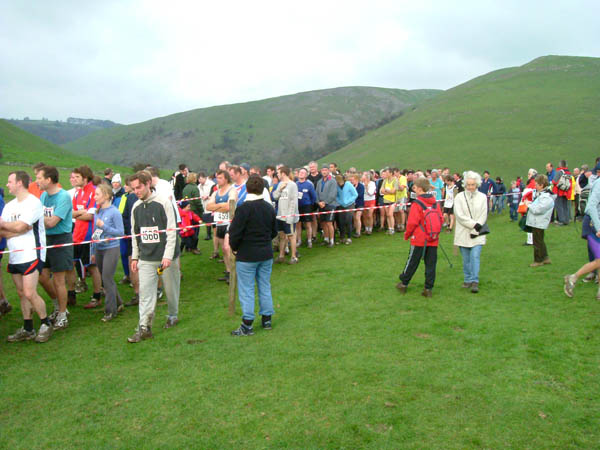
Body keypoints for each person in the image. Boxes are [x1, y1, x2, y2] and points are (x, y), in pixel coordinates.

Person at [128, 170, 181, 343]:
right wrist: (135, 257)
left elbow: (172, 232)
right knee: (145, 293)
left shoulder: (163, 203)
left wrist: (167, 255)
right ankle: (144, 327)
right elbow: (135, 234)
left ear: (148, 184)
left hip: (167, 256)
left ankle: (173, 315)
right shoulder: (135, 207)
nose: (137, 191)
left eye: (139, 187)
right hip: (146, 258)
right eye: (134, 188)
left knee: (171, 289)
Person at [1, 171, 52, 343]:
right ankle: (28, 327)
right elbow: (11, 230)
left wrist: (10, 227)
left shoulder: (33, 203)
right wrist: (13, 229)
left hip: (32, 252)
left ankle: (45, 323)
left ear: (20, 183)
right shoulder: (9, 206)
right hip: (15, 255)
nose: (7, 185)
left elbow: (22, 226)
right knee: (21, 293)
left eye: (10, 181)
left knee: (30, 292)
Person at [228, 175, 277, 336]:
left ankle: (247, 324)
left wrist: (235, 248)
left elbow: (235, 233)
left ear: (247, 189)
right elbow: (273, 232)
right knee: (264, 285)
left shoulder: (243, 209)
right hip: (265, 253)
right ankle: (267, 319)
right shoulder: (269, 208)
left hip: (247, 254)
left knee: (247, 289)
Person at [37, 165, 73, 330]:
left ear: (49, 179)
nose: (37, 181)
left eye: (39, 178)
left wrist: (37, 217)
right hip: (45, 239)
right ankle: (57, 305)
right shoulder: (44, 196)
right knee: (42, 276)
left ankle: (63, 314)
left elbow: (52, 222)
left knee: (59, 280)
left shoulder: (63, 196)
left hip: (60, 239)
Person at [396, 177, 442, 297]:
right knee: (431, 264)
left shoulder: (417, 204)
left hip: (419, 238)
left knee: (412, 261)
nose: (413, 189)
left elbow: (412, 223)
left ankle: (404, 283)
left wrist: (407, 235)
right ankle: (428, 288)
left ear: (420, 189)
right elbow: (440, 219)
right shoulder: (435, 203)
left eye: (415, 187)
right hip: (433, 238)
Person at [564, 163, 600, 299]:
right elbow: (590, 207)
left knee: (599, 259)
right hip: (593, 225)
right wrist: (598, 227)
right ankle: (572, 278)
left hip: (595, 224)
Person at [91, 183, 125, 322]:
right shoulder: (97, 212)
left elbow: (121, 232)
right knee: (106, 279)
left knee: (106, 278)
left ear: (106, 196)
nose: (95, 197)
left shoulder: (114, 212)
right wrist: (93, 250)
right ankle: (119, 302)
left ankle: (110, 311)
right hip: (99, 249)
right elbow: (95, 232)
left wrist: (104, 226)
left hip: (111, 248)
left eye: (97, 194)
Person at [72, 165, 103, 308]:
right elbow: (70, 214)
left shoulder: (93, 191)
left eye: (77, 177)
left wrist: (80, 214)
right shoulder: (78, 193)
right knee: (71, 264)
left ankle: (97, 295)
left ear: (85, 178)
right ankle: (72, 293)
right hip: (76, 235)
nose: (73, 179)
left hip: (88, 236)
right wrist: (80, 213)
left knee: (91, 266)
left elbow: (90, 215)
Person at [454, 171, 488, 293]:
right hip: (463, 232)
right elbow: (459, 216)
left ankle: (475, 281)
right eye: (468, 184)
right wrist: (474, 224)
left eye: (472, 184)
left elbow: (484, 214)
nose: (470, 187)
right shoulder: (459, 197)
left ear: (477, 184)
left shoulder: (483, 197)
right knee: (466, 259)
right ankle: (467, 279)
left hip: (478, 233)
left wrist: (477, 228)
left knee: (475, 256)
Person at [205, 170, 237, 282]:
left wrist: (216, 206)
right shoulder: (216, 192)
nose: (217, 180)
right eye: (217, 178)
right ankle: (228, 272)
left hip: (230, 223)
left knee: (228, 248)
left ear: (226, 179)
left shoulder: (232, 190)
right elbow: (208, 207)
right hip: (219, 224)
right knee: (224, 249)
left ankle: (234, 272)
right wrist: (220, 206)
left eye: (220, 178)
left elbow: (229, 206)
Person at [525, 175, 555, 267]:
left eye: (537, 184)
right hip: (537, 222)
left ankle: (538, 260)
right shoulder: (542, 195)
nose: (535, 186)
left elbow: (538, 210)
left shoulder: (545, 197)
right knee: (540, 240)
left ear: (542, 185)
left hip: (539, 222)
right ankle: (545, 258)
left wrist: (528, 205)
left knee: (537, 242)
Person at [272, 166, 299, 264]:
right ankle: (281, 256)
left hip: (289, 216)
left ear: (283, 173)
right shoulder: (280, 184)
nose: (277, 175)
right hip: (280, 215)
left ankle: (293, 257)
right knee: (282, 236)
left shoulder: (292, 185)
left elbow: (294, 202)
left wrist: (290, 217)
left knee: (291, 235)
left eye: (278, 173)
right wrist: (280, 189)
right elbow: (275, 196)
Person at [316, 165, 338, 247]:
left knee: (329, 223)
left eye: (325, 170)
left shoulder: (333, 181)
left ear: (328, 171)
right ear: (321, 171)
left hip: (330, 204)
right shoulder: (319, 181)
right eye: (322, 170)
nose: (324, 171)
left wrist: (324, 202)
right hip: (321, 205)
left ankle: (332, 240)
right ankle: (326, 239)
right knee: (323, 223)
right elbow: (316, 193)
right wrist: (318, 202)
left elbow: (333, 194)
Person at [295, 167, 317, 248]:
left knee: (308, 224)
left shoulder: (309, 185)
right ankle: (299, 240)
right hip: (297, 207)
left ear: (306, 175)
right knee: (298, 224)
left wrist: (309, 204)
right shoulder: (295, 184)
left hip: (307, 206)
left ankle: (309, 241)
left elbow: (314, 197)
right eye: (300, 172)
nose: (301, 173)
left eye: (303, 172)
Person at [335, 174, 358, 245]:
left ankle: (349, 237)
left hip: (350, 205)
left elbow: (355, 194)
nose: (339, 182)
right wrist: (340, 202)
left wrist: (348, 201)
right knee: (341, 222)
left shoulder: (348, 184)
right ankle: (342, 238)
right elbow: (336, 196)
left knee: (348, 221)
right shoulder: (337, 186)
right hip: (341, 205)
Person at [551, 160, 573, 225]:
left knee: (559, 206)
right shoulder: (568, 172)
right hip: (566, 191)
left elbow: (554, 181)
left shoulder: (559, 172)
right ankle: (566, 220)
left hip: (559, 191)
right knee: (565, 206)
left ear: (560, 165)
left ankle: (561, 221)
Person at [198, 172, 216, 241]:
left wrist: (208, 197)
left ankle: (212, 234)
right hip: (204, 204)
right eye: (199, 179)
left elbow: (214, 193)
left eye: (201, 179)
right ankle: (208, 234)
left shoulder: (211, 184)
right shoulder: (199, 186)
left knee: (212, 218)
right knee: (207, 219)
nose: (200, 181)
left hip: (211, 203)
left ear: (205, 178)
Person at [380, 168, 398, 234]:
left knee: (390, 214)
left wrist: (386, 191)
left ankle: (392, 229)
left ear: (391, 173)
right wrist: (388, 191)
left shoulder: (395, 180)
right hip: (385, 200)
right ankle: (389, 228)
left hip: (393, 200)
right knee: (387, 215)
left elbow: (393, 191)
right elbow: (381, 190)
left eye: (387, 173)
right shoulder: (385, 180)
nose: (386, 174)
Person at [351, 173, 365, 238]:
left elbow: (360, 195)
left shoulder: (361, 186)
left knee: (357, 217)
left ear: (356, 179)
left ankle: (358, 232)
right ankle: (356, 230)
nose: (352, 181)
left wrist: (353, 195)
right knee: (354, 218)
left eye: (353, 180)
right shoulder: (351, 186)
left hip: (360, 204)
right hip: (353, 204)